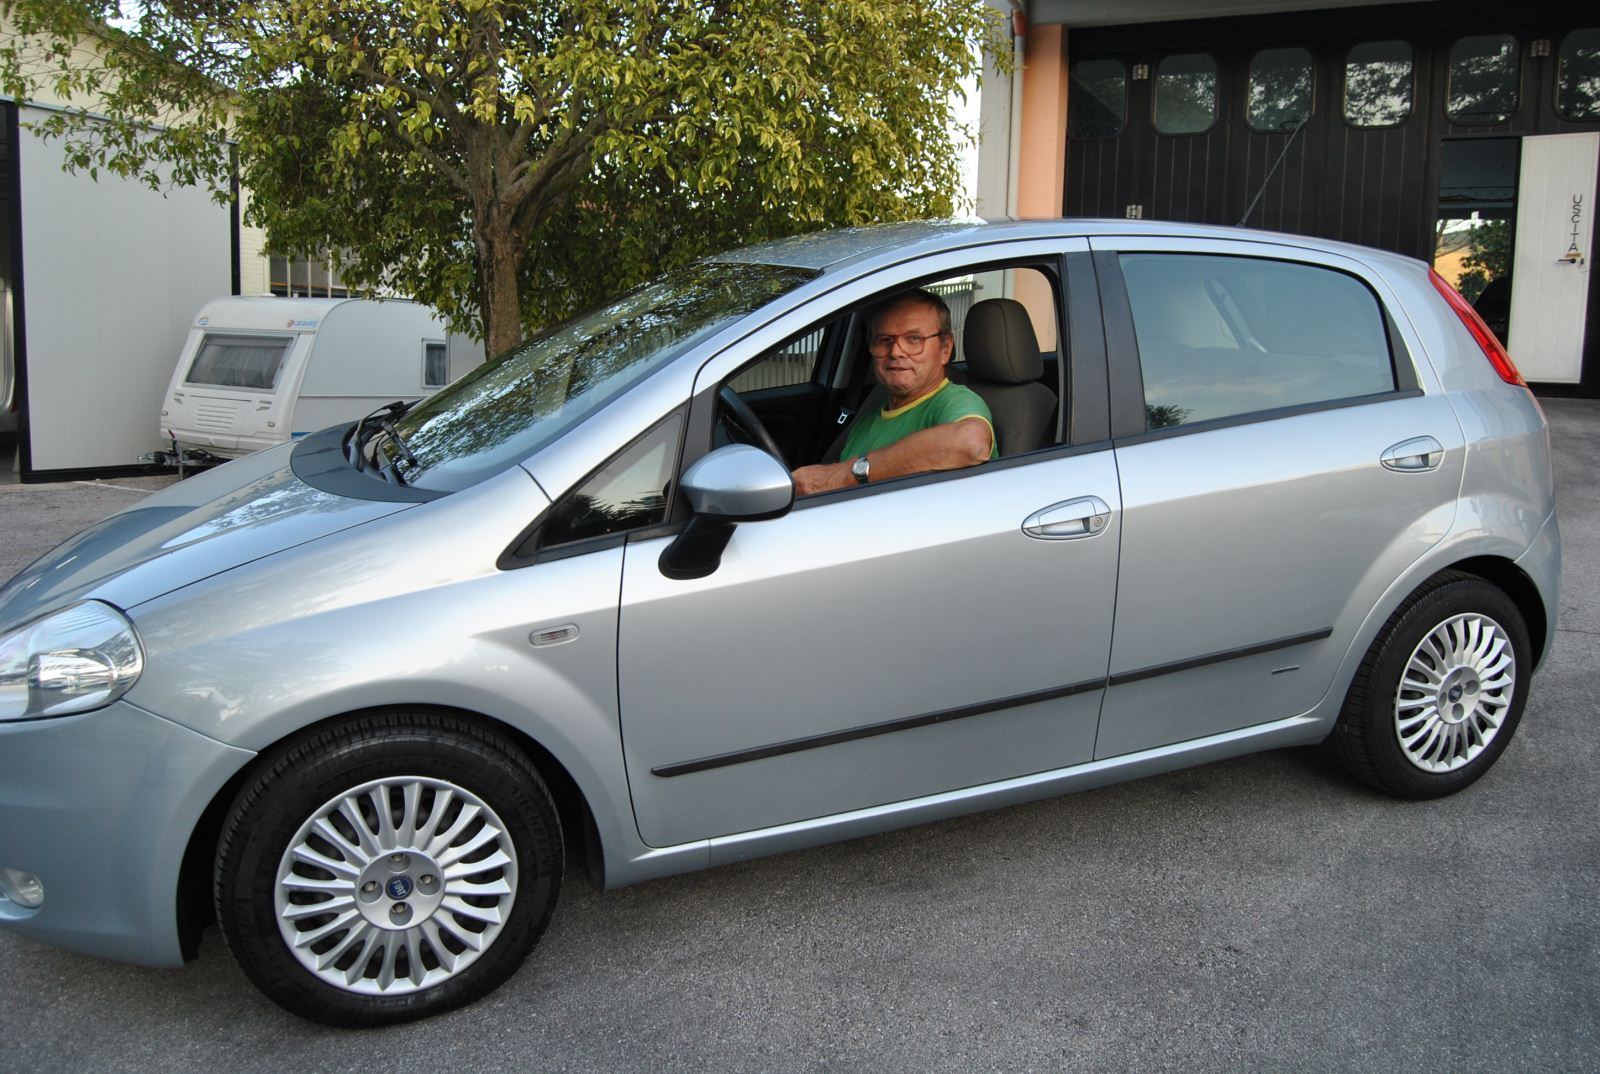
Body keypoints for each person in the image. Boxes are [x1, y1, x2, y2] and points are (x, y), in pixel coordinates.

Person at [791, 290, 996, 496]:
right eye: (884, 340)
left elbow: (971, 444)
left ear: (945, 349)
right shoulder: (866, 420)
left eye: (914, 339)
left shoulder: (954, 400)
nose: (896, 352)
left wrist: (849, 474)